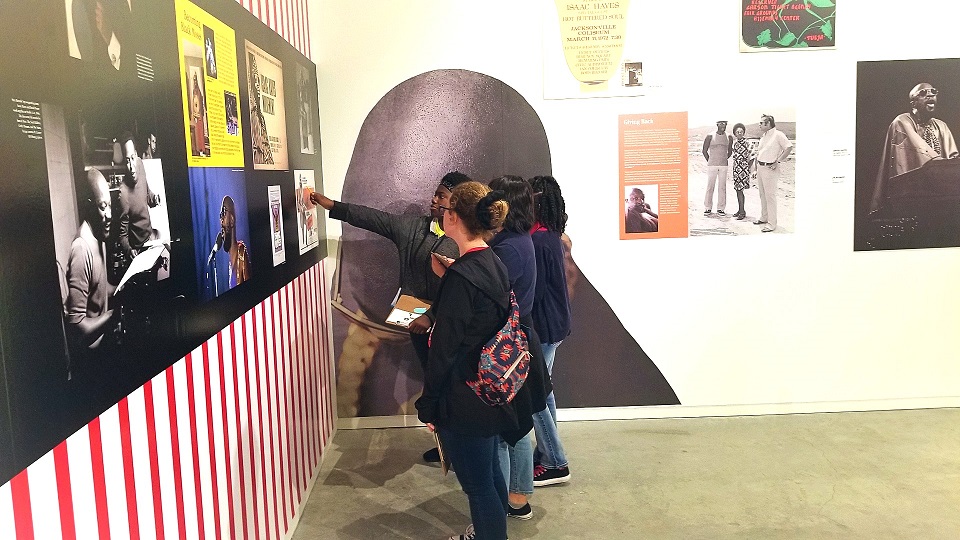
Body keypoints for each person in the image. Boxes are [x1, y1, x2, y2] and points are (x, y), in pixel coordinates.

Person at [414, 181, 514, 540]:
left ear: (452, 216)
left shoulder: (462, 277)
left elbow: (443, 351)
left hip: (464, 394)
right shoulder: (492, 261)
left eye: (445, 209)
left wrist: (429, 405)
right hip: (491, 388)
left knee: (478, 487)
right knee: (489, 474)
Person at [487, 175, 552, 521]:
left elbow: (491, 295)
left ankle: (505, 501)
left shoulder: (508, 247)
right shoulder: (517, 240)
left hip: (509, 343)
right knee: (516, 425)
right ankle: (516, 499)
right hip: (519, 338)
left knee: (503, 429)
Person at [527, 176, 573, 487]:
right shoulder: (549, 236)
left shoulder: (539, 241)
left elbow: (535, 291)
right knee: (544, 391)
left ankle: (556, 461)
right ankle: (547, 452)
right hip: (552, 325)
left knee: (535, 396)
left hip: (542, 327)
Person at [870, 83, 959, 214]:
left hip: (940, 192)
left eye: (933, 91)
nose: (930, 94)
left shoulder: (941, 125)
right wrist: (939, 166)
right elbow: (918, 150)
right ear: (913, 103)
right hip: (912, 192)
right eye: (923, 93)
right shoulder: (901, 121)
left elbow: (952, 159)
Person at [65, 168, 118, 372]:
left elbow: (99, 289)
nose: (109, 215)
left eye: (110, 206)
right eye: (102, 207)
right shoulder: (81, 249)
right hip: (90, 363)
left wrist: (123, 286)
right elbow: (77, 326)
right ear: (89, 206)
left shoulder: (99, 236)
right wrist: (111, 316)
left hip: (103, 350)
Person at [117, 133, 159, 262]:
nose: (132, 167)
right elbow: (122, 235)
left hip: (152, 237)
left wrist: (154, 198)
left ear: (136, 154)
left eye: (133, 158)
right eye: (127, 160)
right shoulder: (123, 194)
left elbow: (147, 193)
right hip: (139, 248)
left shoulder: (140, 163)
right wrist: (129, 250)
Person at [752, 114, 793, 232]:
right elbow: (759, 153)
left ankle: (772, 223)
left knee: (770, 196)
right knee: (762, 194)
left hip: (770, 169)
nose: (759, 125)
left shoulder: (778, 135)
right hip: (760, 167)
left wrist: (778, 161)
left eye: (761, 123)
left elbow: (789, 147)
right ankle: (764, 217)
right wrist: (755, 169)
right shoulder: (764, 136)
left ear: (768, 123)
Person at [217, 195, 250, 288]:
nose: (221, 221)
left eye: (223, 213)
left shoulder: (241, 252)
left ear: (232, 219)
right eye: (220, 216)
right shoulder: (228, 262)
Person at [702, 120, 733, 216]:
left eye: (725, 123)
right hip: (712, 165)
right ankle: (708, 207)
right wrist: (711, 160)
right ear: (717, 124)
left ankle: (721, 208)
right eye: (721, 123)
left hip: (723, 165)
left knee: (722, 187)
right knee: (710, 186)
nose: (723, 125)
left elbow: (730, 151)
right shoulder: (710, 136)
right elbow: (704, 151)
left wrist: (723, 159)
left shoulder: (729, 137)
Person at [730, 123, 752, 220]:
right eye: (737, 132)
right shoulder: (735, 143)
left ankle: (742, 212)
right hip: (736, 169)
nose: (739, 133)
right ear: (735, 133)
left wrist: (748, 169)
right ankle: (740, 210)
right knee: (737, 190)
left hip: (743, 169)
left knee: (740, 190)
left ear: (743, 132)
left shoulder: (747, 143)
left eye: (741, 132)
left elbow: (752, 157)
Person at [192, 74, 208, 157]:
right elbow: (195, 104)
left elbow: (199, 103)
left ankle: (202, 149)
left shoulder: (197, 91)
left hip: (200, 116)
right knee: (198, 134)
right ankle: (200, 150)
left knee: (201, 134)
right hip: (197, 117)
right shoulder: (194, 91)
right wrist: (195, 115)